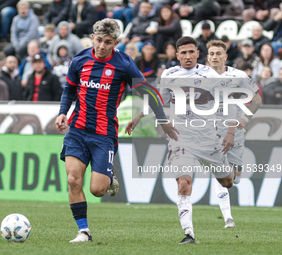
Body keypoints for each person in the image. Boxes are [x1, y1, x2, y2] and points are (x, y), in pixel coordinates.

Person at [55, 18, 175, 243]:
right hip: (78, 129)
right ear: (92, 38)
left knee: (98, 190)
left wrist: (161, 119)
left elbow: (149, 93)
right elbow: (69, 89)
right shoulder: (80, 59)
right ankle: (84, 231)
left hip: (103, 134)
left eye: (107, 42)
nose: (102, 46)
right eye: (99, 40)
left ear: (115, 43)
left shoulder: (124, 64)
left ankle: (108, 179)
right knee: (73, 179)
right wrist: (63, 112)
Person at [126, 36, 237, 244]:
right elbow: (156, 99)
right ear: (177, 56)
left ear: (197, 54)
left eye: (191, 52)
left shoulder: (209, 74)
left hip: (208, 137)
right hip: (179, 137)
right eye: (183, 53)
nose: (187, 56)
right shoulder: (169, 74)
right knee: (184, 183)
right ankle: (189, 234)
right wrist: (138, 116)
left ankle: (228, 170)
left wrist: (230, 132)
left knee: (227, 182)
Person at [207, 39, 262, 228]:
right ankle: (228, 218)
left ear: (225, 56)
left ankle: (233, 175)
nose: (215, 57)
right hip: (211, 132)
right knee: (219, 172)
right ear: (208, 57)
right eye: (212, 54)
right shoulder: (200, 77)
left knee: (233, 177)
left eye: (218, 53)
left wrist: (245, 120)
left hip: (235, 132)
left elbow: (256, 98)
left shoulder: (238, 76)